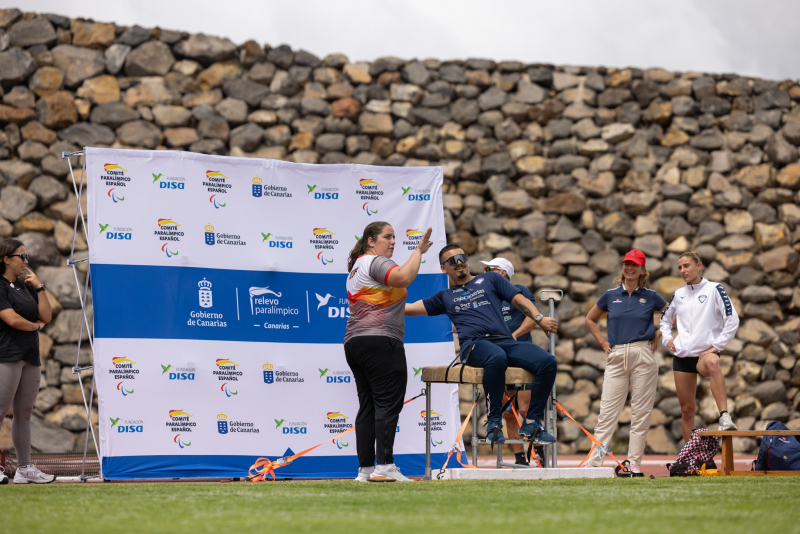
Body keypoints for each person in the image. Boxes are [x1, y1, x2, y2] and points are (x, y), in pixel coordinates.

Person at [405, 245, 558, 447]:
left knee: (547, 362)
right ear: (444, 268)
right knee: (496, 357)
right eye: (452, 260)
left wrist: (538, 318)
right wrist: (378, 298)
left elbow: (518, 298)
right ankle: (494, 422)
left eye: (462, 257)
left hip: (505, 341)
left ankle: (531, 423)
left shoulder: (490, 279)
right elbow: (408, 308)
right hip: (475, 346)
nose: (459, 262)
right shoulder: (445, 297)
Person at [345, 221, 432, 482]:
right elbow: (403, 277)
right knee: (386, 403)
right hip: (380, 341)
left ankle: (366, 470)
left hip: (355, 342)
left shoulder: (357, 267)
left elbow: (385, 304)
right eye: (387, 237)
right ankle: (384, 466)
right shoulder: (375, 262)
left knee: (369, 406)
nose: (392, 242)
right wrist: (418, 251)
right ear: (371, 241)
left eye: (395, 237)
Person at [583, 249, 668, 476]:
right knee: (607, 412)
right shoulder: (610, 295)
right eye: (626, 264)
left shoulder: (650, 296)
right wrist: (602, 343)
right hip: (617, 353)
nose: (629, 268)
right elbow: (590, 319)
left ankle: (634, 463)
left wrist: (659, 334)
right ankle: (595, 462)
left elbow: (673, 314)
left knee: (641, 413)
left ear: (642, 270)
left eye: (634, 265)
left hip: (643, 353)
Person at [660, 250, 740, 443]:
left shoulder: (714, 289)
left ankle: (724, 416)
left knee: (714, 363)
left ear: (698, 265)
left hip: (704, 356)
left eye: (686, 266)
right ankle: (691, 458)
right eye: (679, 267)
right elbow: (665, 320)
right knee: (687, 410)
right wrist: (667, 339)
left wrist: (716, 346)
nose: (683, 270)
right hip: (682, 357)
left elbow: (732, 319)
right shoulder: (678, 294)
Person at [0, 238, 54, 484]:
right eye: (21, 256)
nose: (25, 261)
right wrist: (34, 326)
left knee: (24, 414)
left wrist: (40, 287)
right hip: (7, 354)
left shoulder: (28, 285)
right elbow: (11, 319)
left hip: (30, 355)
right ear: (6, 259)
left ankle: (24, 469)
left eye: (27, 256)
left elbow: (47, 315)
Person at [479, 257, 539, 466]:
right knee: (508, 414)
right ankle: (520, 459)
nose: (485, 272)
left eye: (489, 269)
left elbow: (533, 317)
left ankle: (538, 451)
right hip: (500, 360)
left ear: (503, 272)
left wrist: (513, 336)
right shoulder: (488, 297)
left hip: (522, 358)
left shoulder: (519, 290)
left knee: (524, 410)